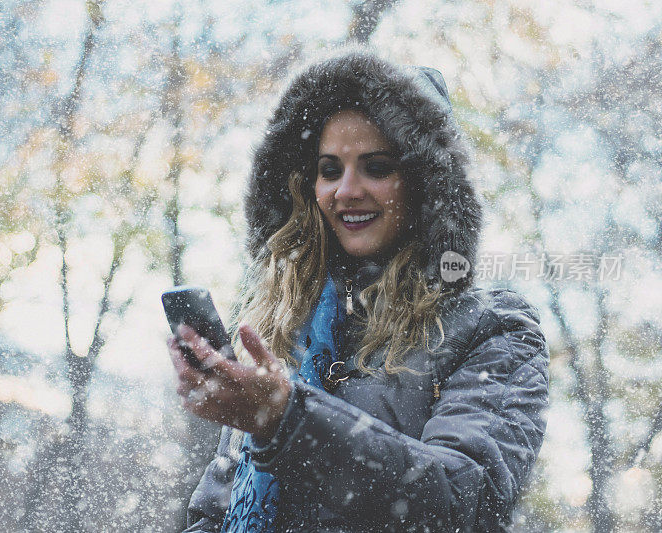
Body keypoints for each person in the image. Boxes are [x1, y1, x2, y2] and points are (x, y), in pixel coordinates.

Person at [167, 47, 549, 532]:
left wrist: (287, 419)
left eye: (377, 166)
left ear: (425, 184)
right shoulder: (279, 328)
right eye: (329, 169)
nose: (346, 190)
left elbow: (465, 503)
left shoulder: (493, 329)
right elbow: (214, 514)